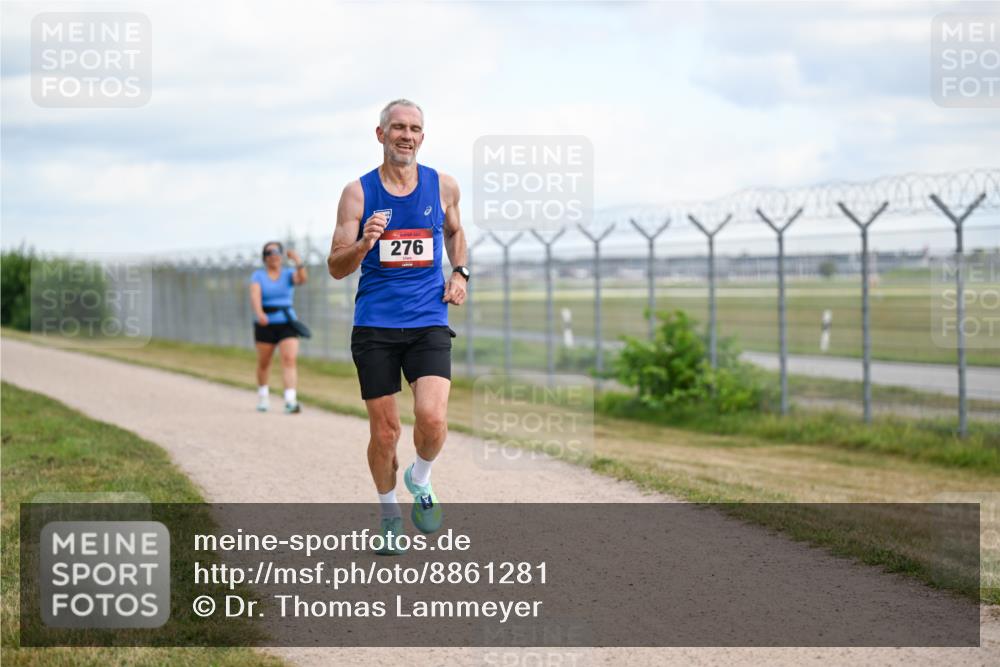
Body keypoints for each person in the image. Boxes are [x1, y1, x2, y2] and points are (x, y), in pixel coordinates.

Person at [327, 99, 469, 555]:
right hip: (375, 326)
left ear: (422, 137)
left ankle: (420, 479)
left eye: (415, 128)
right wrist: (366, 242)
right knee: (385, 432)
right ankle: (389, 513)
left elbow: (454, 231)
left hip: (428, 318)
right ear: (380, 134)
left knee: (432, 418)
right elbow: (335, 266)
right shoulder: (358, 193)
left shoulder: (443, 185)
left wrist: (460, 272)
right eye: (398, 128)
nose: (406, 135)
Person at [249, 241, 308, 414]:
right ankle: (263, 396)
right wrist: (259, 313)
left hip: (287, 322)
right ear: (264, 257)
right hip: (266, 323)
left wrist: (297, 260)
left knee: (289, 359)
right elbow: (255, 295)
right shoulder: (258, 276)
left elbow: (302, 279)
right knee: (264, 362)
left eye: (276, 252)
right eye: (269, 252)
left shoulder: (289, 273)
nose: (273, 255)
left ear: (281, 255)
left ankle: (290, 400)